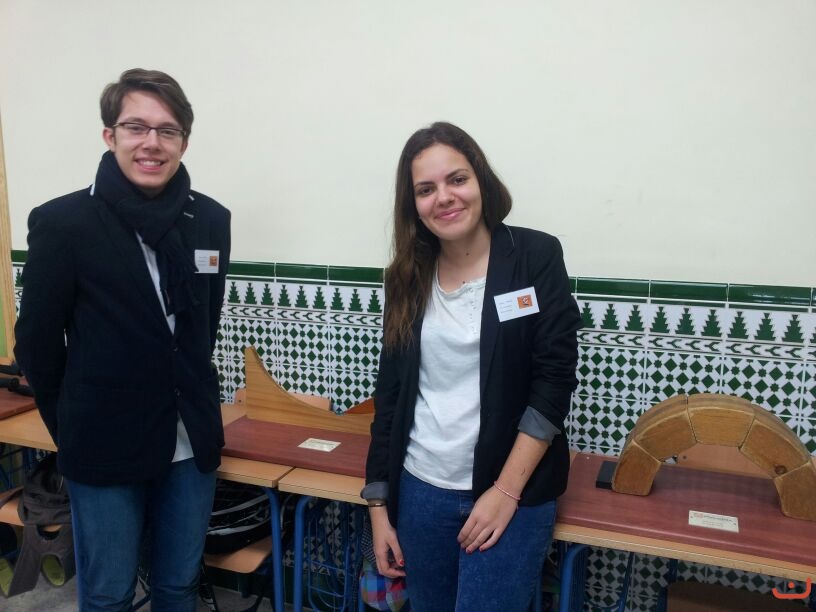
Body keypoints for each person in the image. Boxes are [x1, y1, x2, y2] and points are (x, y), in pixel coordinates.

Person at [14, 68, 231, 611]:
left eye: (168, 130)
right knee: (109, 594)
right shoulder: (65, 223)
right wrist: (71, 426)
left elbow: (202, 328)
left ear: (183, 142)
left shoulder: (209, 219)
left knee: (178, 585)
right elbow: (37, 344)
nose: (152, 142)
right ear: (110, 135)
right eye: (136, 127)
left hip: (189, 442)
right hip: (103, 443)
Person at [362, 122, 581, 611]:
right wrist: (378, 507)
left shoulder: (534, 256)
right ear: (412, 204)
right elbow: (390, 396)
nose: (444, 197)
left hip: (511, 491)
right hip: (421, 491)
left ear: (480, 180)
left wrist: (505, 491)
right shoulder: (406, 277)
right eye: (425, 189)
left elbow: (554, 379)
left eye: (456, 179)